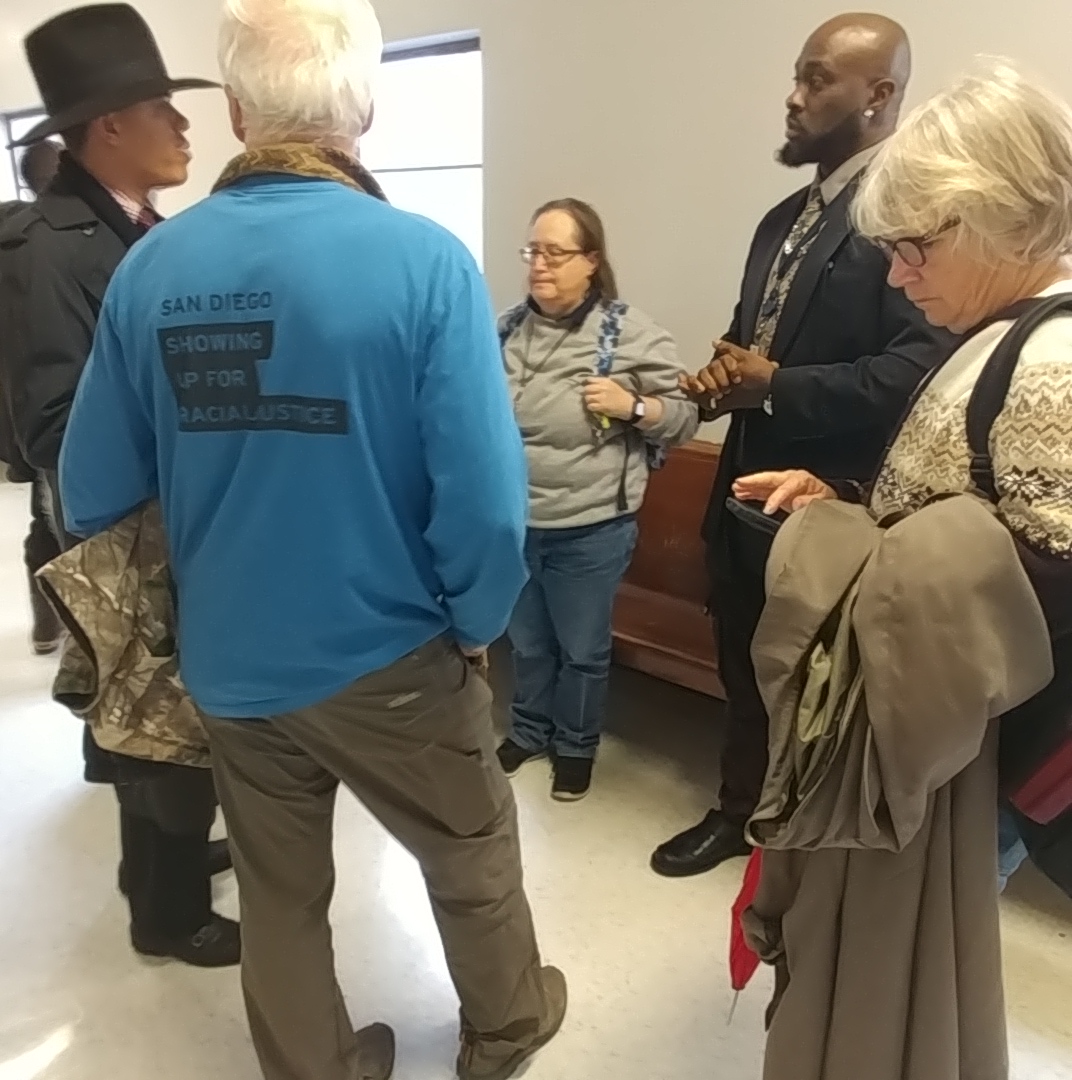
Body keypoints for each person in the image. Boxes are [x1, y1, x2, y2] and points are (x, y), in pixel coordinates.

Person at [56, 1, 567, 1078]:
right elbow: (484, 504)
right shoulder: (424, 262)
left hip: (231, 662)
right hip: (392, 655)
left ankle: (314, 1065)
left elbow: (91, 489)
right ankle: (506, 1027)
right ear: (363, 108)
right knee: (468, 850)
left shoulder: (151, 268)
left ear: (239, 113)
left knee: (278, 889)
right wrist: (476, 623)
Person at [734, 60, 1072, 1079]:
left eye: (915, 246)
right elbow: (971, 509)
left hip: (974, 757)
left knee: (909, 969)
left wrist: (851, 555)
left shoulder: (1052, 363)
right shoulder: (1002, 334)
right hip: (957, 741)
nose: (896, 277)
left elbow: (1032, 589)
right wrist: (845, 501)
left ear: (1000, 217)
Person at [651, 13, 957, 879]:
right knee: (744, 671)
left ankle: (808, 850)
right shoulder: (782, 218)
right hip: (743, 499)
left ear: (879, 94)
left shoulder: (910, 217)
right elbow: (757, 340)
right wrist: (726, 374)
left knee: (815, 693)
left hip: (831, 510)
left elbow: (919, 369)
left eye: (817, 79)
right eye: (797, 75)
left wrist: (775, 386)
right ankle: (739, 812)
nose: (794, 97)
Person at [0, 4, 235, 966]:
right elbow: (53, 428)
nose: (182, 126)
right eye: (161, 110)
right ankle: (168, 915)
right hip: (119, 534)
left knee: (161, 726)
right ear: (108, 128)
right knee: (150, 726)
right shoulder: (48, 247)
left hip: (165, 524)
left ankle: (159, 872)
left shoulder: (137, 230)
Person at [495, 199, 698, 800]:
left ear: (591, 261)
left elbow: (685, 417)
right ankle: (528, 731)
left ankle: (575, 747)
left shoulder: (627, 332)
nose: (539, 265)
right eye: (533, 251)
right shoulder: (504, 329)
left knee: (582, 651)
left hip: (590, 530)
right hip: (514, 524)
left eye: (555, 253)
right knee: (527, 644)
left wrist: (633, 406)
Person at [0, 140, 63, 655]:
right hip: (54, 403)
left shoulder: (13, 237)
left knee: (43, 514)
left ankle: (47, 625)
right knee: (59, 515)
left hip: (18, 402)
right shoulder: (52, 242)